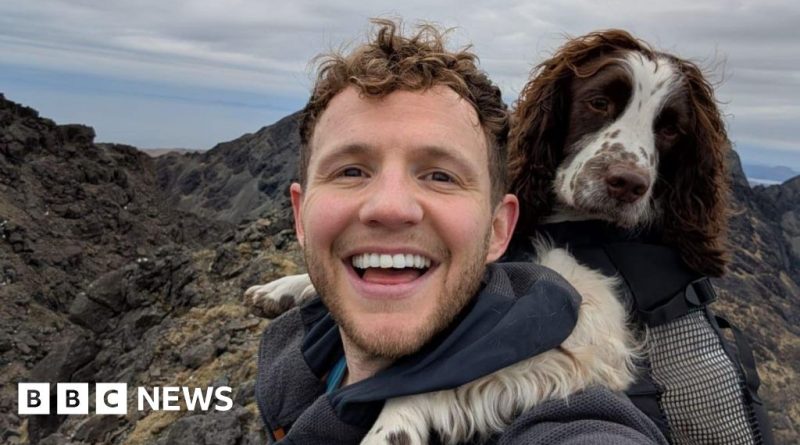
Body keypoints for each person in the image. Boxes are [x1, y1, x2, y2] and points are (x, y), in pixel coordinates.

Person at [255, 19, 668, 444]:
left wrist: (421, 403)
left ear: (498, 228)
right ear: (300, 215)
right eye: (351, 171)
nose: (391, 208)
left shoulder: (572, 420)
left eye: (440, 176)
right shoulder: (295, 360)